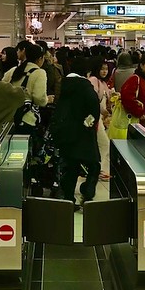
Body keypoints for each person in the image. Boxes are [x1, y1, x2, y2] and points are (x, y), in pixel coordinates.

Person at [51, 57, 100, 209]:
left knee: (70, 167)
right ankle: (88, 191)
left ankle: (68, 199)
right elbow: (94, 109)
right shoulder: (85, 86)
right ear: (87, 72)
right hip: (82, 133)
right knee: (94, 165)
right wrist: (88, 124)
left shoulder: (62, 84)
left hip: (64, 131)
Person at [4, 42, 49, 132]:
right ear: (40, 59)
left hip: (8, 116)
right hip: (27, 119)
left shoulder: (13, 70)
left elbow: (2, 87)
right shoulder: (39, 73)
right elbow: (39, 99)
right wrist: (48, 99)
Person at [88, 56, 113, 181]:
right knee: (104, 143)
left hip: (99, 118)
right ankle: (98, 170)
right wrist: (102, 110)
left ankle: (97, 169)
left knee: (100, 144)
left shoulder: (102, 83)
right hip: (95, 118)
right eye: (102, 69)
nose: (104, 71)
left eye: (106, 69)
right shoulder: (93, 80)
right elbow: (92, 100)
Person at [120, 54, 145, 129]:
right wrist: (139, 113)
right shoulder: (135, 79)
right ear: (141, 65)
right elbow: (127, 98)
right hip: (136, 120)